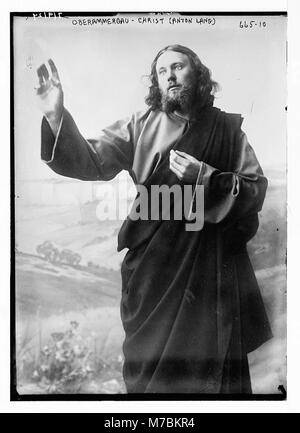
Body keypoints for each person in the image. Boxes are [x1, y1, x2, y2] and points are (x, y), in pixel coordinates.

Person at [36, 44, 272, 394]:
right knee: (152, 380)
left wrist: (205, 176)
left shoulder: (228, 130)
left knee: (213, 378)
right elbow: (90, 159)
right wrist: (56, 117)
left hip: (209, 272)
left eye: (178, 67)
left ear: (199, 74)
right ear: (157, 83)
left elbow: (254, 189)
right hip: (154, 274)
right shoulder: (139, 125)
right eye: (163, 72)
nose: (171, 76)